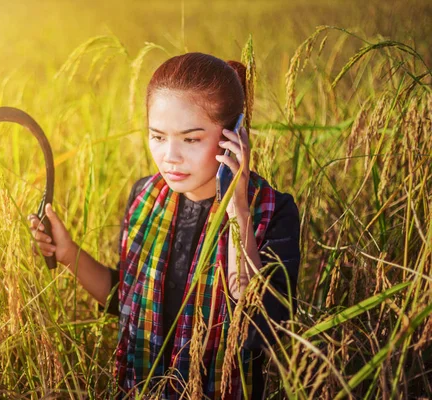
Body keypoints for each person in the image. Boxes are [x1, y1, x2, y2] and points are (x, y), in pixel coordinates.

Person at [28, 52, 301, 399]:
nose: (170, 156)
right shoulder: (146, 196)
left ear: (234, 135)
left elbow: (262, 325)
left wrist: (237, 210)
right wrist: (68, 254)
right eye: (157, 136)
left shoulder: (272, 210)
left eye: (190, 139)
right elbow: (125, 300)